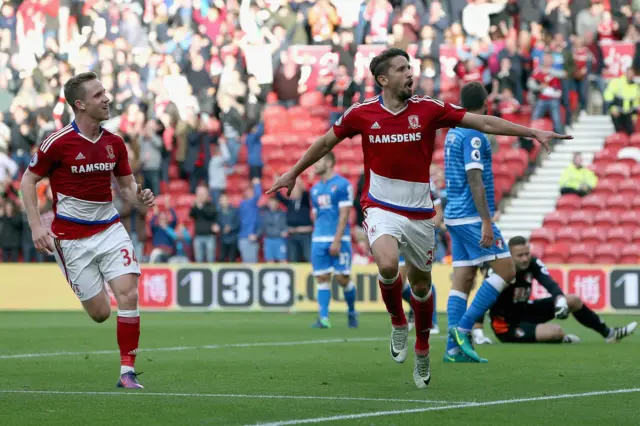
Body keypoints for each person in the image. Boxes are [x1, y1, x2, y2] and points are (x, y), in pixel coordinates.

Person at [267, 48, 569, 388]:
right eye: (401, 69)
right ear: (383, 79)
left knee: (422, 286)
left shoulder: (429, 109)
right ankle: (399, 322)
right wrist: (293, 173)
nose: (410, 73)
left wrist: (531, 132)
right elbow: (325, 143)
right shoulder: (362, 114)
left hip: (421, 214)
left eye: (410, 67)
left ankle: (422, 349)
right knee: (385, 264)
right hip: (380, 205)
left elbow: (482, 121)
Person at [20, 72, 155, 389]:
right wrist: (37, 225)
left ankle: (127, 372)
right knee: (100, 313)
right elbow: (28, 181)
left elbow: (126, 189)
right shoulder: (57, 143)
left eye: (105, 92)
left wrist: (140, 197)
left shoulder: (114, 143)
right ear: (79, 104)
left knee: (129, 293)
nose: (106, 98)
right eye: (98, 95)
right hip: (70, 240)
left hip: (109, 229)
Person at [443, 82, 520, 364]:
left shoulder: (453, 132)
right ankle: (463, 330)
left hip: (454, 214)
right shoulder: (474, 134)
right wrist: (486, 220)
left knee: (462, 279)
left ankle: (452, 349)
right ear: (485, 102)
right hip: (471, 216)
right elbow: (474, 178)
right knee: (507, 269)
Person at [487, 236, 637, 344]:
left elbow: (549, 283)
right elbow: (484, 299)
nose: (525, 259)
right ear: (510, 256)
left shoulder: (532, 263)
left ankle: (610, 334)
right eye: (520, 256)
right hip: (507, 325)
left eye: (527, 254)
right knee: (555, 331)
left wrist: (560, 299)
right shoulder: (502, 271)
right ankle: (561, 339)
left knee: (572, 300)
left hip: (526, 310)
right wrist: (478, 329)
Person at [309, 152, 357, 329]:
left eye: (318, 160)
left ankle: (352, 311)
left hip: (339, 238)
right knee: (322, 277)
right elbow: (316, 215)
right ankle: (323, 318)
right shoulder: (314, 189)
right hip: (319, 238)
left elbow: (344, 215)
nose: (315, 164)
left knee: (342, 279)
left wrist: (336, 240)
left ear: (329, 163)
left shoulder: (343, 185)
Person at [401, 184, 442, 334]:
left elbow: (438, 211)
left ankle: (431, 321)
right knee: (397, 282)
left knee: (422, 279)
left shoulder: (426, 183)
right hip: (398, 235)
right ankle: (415, 309)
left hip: (419, 237)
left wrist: (427, 232)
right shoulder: (392, 180)